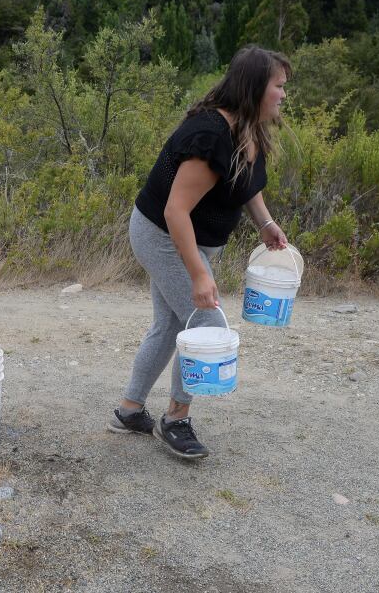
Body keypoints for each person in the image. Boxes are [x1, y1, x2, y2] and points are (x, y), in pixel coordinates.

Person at [108, 46, 291, 459]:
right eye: (278, 87)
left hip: (188, 237)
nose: (283, 95)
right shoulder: (210, 135)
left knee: (170, 326)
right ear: (254, 88)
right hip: (161, 234)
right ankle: (175, 420)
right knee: (205, 321)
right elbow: (175, 211)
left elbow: (247, 184)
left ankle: (128, 411)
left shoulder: (248, 127)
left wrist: (265, 223)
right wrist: (198, 275)